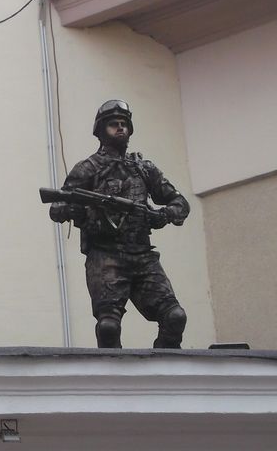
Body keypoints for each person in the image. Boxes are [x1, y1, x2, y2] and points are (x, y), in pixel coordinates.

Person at [49, 100, 189, 348]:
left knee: (175, 317)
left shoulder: (144, 169)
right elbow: (58, 208)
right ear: (101, 130)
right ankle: (112, 380)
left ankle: (165, 370)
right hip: (106, 257)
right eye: (114, 124)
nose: (120, 128)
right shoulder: (88, 169)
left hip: (143, 256)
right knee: (108, 327)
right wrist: (89, 209)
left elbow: (180, 202)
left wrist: (163, 214)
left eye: (124, 124)